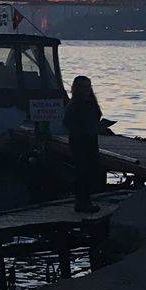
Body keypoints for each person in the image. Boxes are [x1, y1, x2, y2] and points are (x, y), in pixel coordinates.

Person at [62, 75, 102, 213]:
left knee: (90, 170)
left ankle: (86, 200)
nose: (86, 89)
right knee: (82, 171)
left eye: (88, 86)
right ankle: (82, 202)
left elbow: (97, 116)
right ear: (77, 88)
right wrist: (84, 131)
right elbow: (67, 123)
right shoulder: (74, 104)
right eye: (83, 87)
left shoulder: (91, 102)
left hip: (91, 139)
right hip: (79, 141)